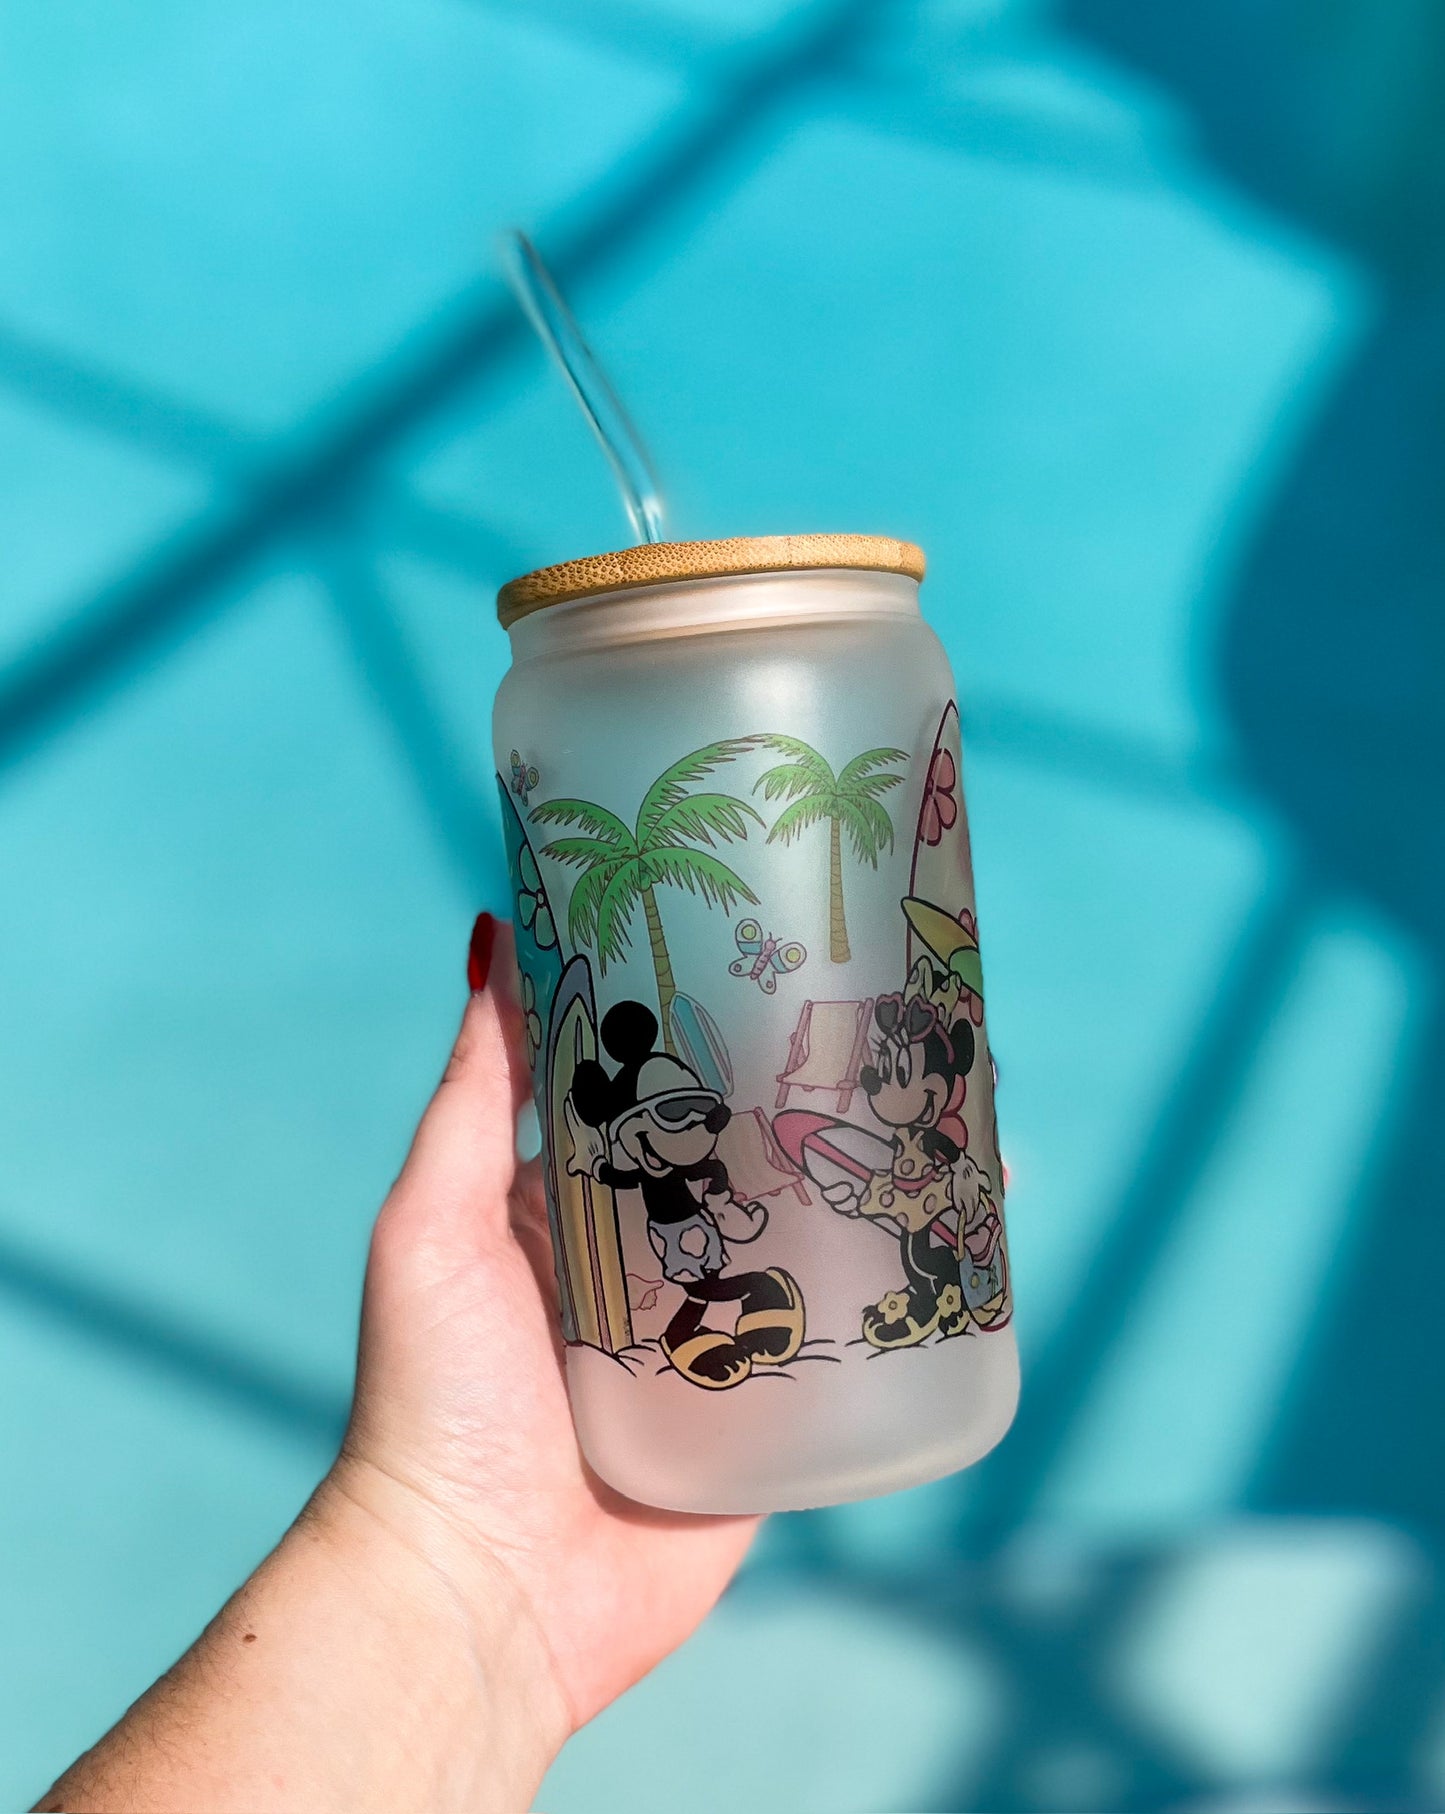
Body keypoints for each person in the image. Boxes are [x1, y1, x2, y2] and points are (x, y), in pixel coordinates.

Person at [36, 915, 756, 1814]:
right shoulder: (634, 1159)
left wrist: (446, 1562)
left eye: (693, 1119)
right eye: (671, 1119)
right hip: (658, 1286)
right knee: (703, 1283)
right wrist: (448, 1544)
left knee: (721, 1280)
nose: (685, 1132)